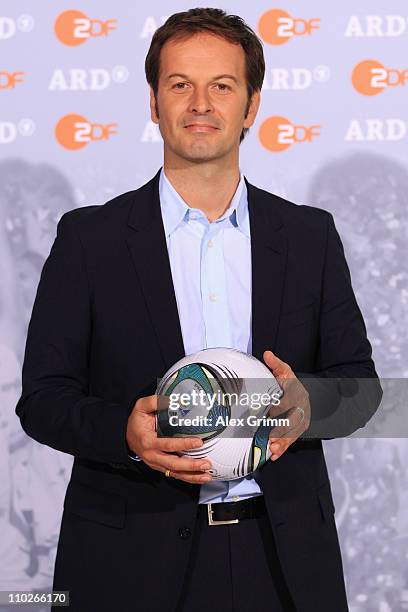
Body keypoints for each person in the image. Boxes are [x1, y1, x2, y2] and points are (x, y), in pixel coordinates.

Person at [15, 8, 382, 612]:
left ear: (252, 105)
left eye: (222, 86)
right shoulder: (90, 239)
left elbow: (365, 390)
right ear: (154, 103)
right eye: (180, 84)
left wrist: (307, 406)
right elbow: (43, 399)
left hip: (283, 560)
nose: (200, 103)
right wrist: (124, 434)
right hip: (128, 561)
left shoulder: (310, 236)